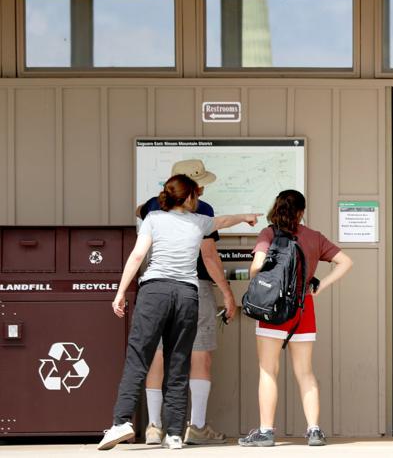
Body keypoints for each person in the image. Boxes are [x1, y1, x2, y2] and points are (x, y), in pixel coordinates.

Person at [98, 175, 260, 451]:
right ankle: (174, 433)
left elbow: (137, 256)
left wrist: (120, 291)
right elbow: (224, 220)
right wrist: (246, 217)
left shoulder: (153, 219)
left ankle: (121, 422)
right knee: (179, 362)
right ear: (188, 198)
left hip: (155, 292)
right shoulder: (199, 222)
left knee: (139, 356)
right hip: (187, 294)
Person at [239, 190, 353, 447]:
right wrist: (320, 285)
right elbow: (346, 262)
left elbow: (255, 269)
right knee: (305, 372)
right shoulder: (314, 237)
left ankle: (266, 432)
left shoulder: (269, 234)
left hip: (273, 309)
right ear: (302, 211)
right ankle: (314, 430)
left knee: (268, 370)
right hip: (303, 309)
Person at [135, 160, 235, 446]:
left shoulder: (152, 207)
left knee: (158, 353)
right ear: (192, 186)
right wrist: (227, 294)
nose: (203, 188)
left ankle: (154, 426)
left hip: (154, 287)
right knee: (199, 353)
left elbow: (138, 216)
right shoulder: (200, 209)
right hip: (194, 286)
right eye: (200, 183)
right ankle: (197, 426)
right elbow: (209, 255)